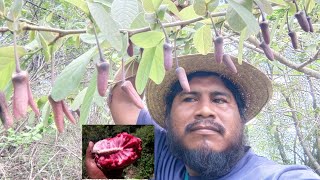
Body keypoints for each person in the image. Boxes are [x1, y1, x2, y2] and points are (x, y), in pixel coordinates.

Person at [85, 53, 320, 179]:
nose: (205, 110)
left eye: (219, 100)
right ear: (166, 119)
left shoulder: (277, 177)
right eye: (189, 98)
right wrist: (149, 36)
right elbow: (122, 98)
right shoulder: (166, 157)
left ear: (241, 117)